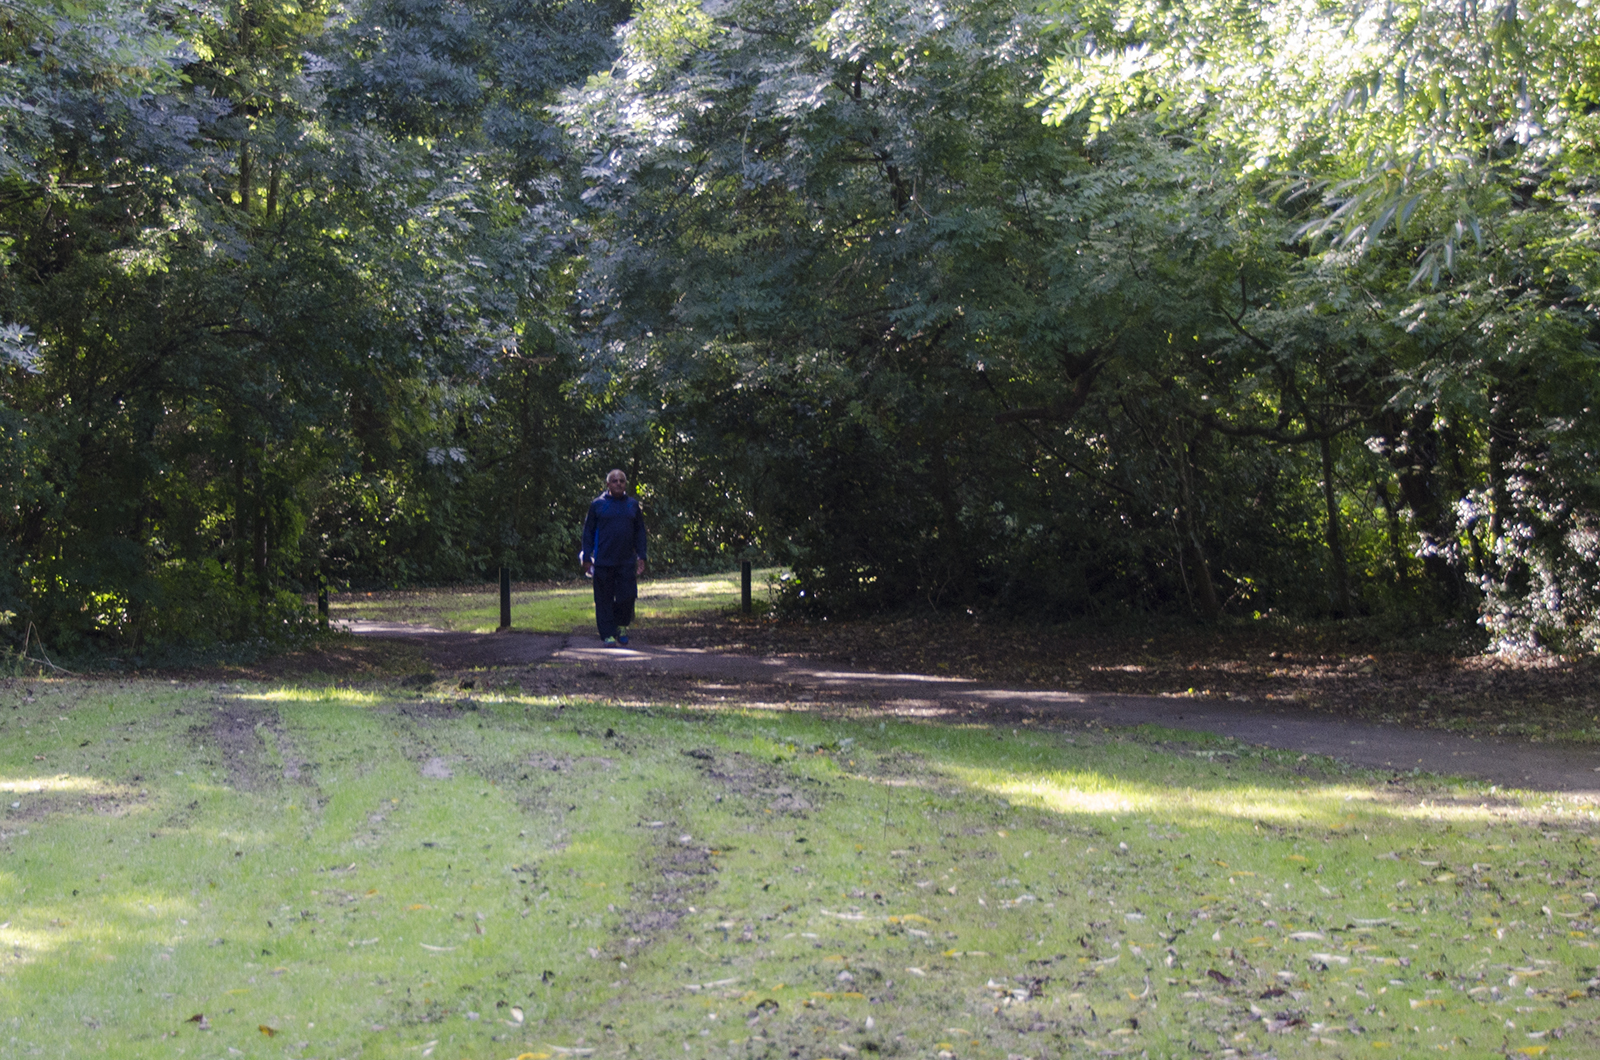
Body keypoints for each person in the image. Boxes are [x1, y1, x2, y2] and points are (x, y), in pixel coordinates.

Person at [580, 469, 648, 646]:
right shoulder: (598, 505)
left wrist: (642, 555)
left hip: (626, 561)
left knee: (627, 596)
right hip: (603, 561)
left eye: (622, 481)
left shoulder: (632, 505)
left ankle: (621, 625)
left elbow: (640, 532)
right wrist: (586, 557)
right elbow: (588, 532)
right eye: (615, 481)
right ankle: (608, 634)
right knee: (604, 599)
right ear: (608, 484)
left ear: (625, 484)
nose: (619, 483)